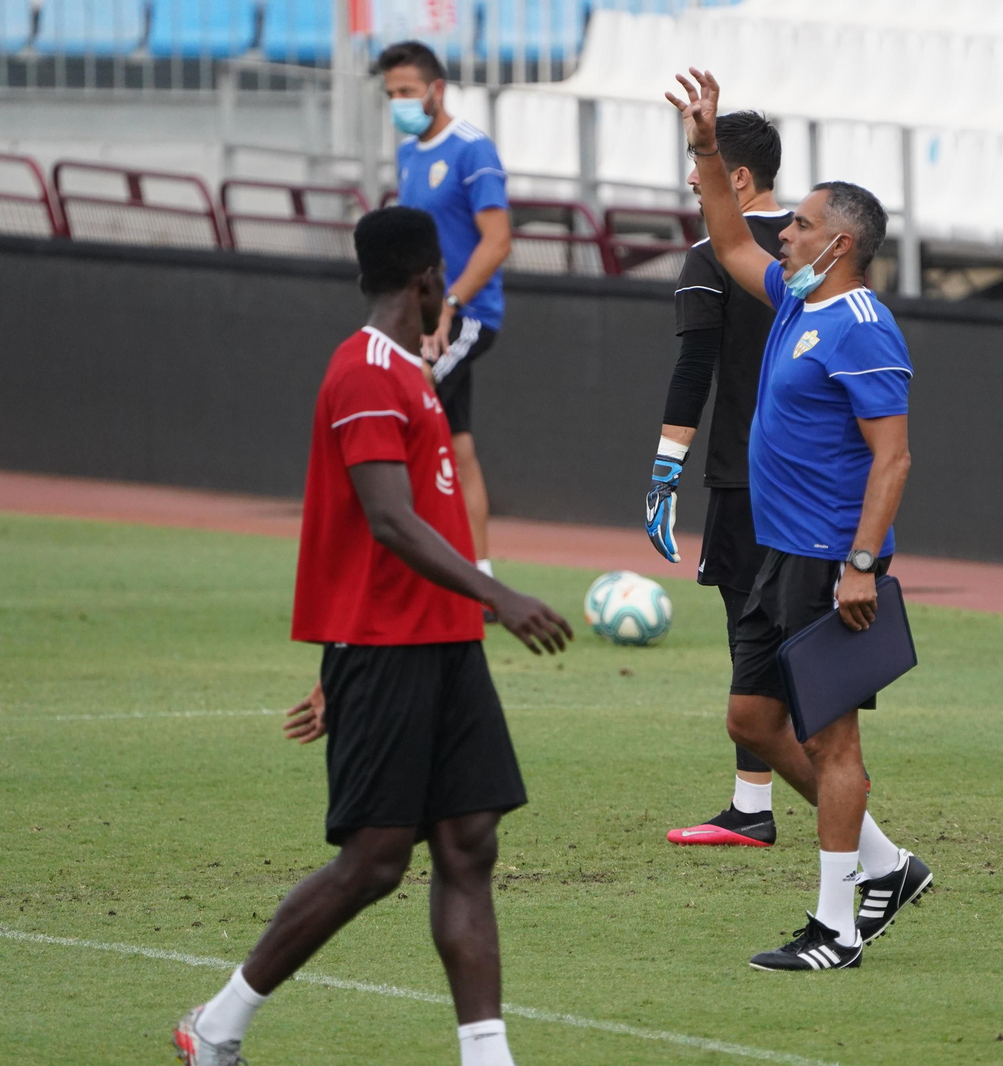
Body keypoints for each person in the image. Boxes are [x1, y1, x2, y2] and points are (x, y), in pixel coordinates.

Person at [172, 206, 572, 1066]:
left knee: (470, 842)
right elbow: (388, 521)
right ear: (428, 280)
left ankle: (486, 1056)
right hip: (387, 650)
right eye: (443, 285)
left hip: (443, 645)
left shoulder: (407, 371)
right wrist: (499, 596)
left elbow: (401, 525)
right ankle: (218, 1024)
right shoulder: (363, 372)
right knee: (375, 861)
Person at [666, 69, 931, 972]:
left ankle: (836, 929)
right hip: (779, 556)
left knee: (834, 739)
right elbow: (725, 232)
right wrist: (706, 148)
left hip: (830, 565)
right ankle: (887, 866)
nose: (787, 233)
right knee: (752, 718)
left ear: (841, 243)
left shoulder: (862, 325)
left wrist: (863, 562)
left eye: (804, 224)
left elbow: (892, 457)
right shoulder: (795, 301)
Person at [647, 111, 793, 850]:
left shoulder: (713, 255)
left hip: (744, 481)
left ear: (736, 179)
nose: (689, 180)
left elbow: (694, 369)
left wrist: (664, 474)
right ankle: (837, 774)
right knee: (810, 628)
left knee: (752, 633)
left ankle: (755, 806)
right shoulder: (825, 248)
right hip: (820, 483)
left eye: (699, 166)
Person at [380, 40, 513, 586]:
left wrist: (450, 306)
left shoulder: (471, 149)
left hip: (466, 315)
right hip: (422, 317)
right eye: (390, 94)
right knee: (458, 446)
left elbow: (497, 240)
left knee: (407, 410)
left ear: (436, 90)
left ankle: (418, 568)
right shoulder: (408, 154)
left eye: (407, 92)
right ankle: (478, 573)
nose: (399, 103)